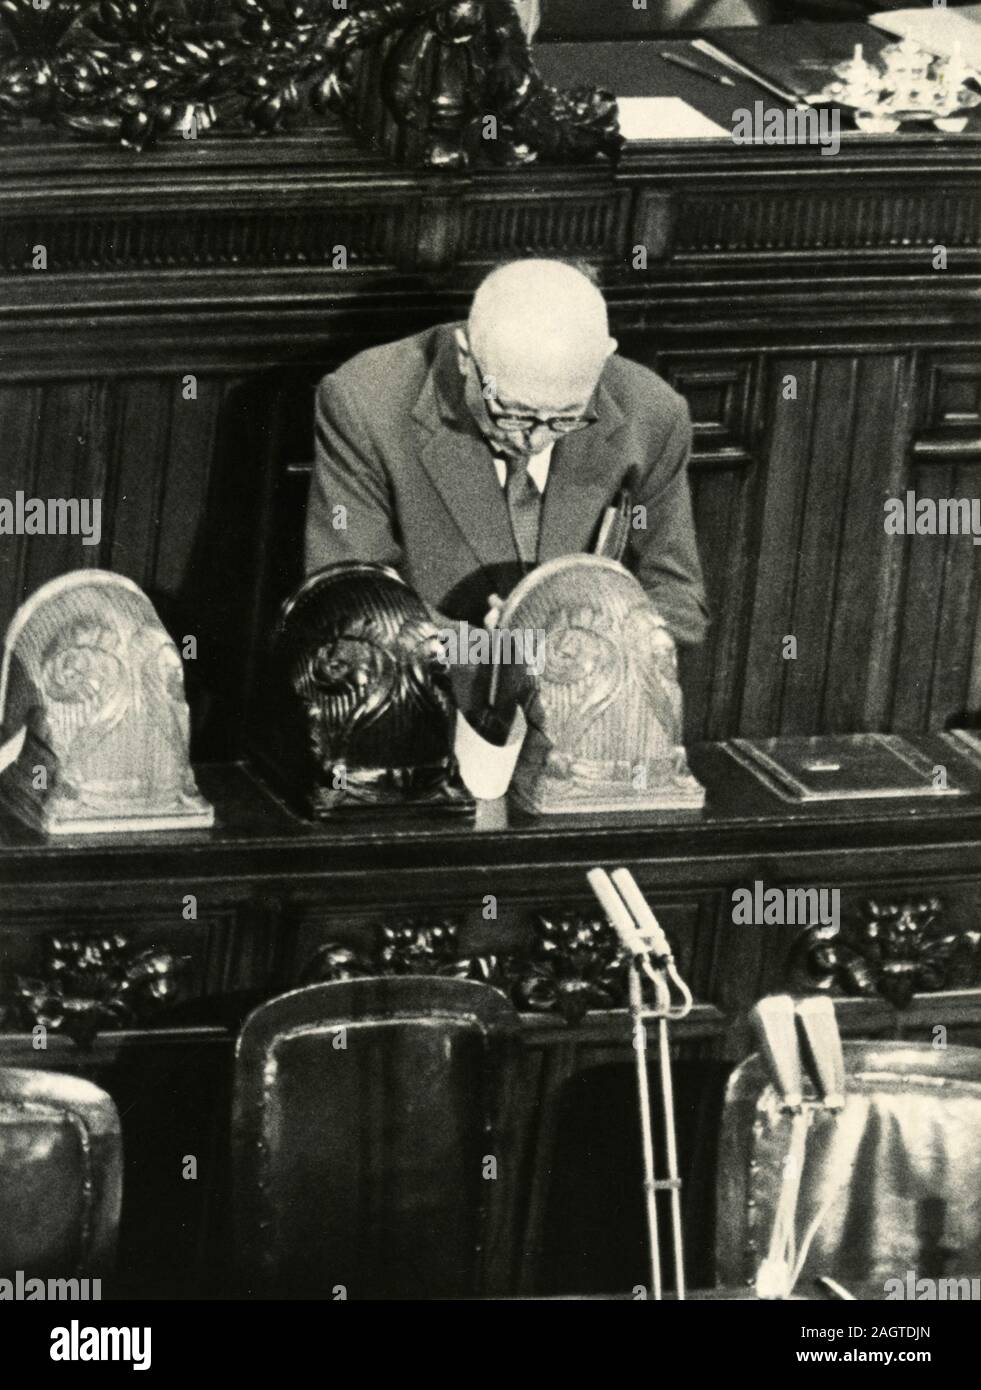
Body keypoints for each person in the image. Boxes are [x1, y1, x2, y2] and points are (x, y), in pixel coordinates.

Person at [305, 258, 708, 659]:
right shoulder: (366, 402)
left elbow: (679, 603)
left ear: (605, 358)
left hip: (585, 697)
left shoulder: (652, 413)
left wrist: (588, 645)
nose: (532, 438)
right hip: (434, 693)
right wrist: (498, 650)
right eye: (513, 413)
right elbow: (354, 605)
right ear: (466, 355)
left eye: (567, 418)